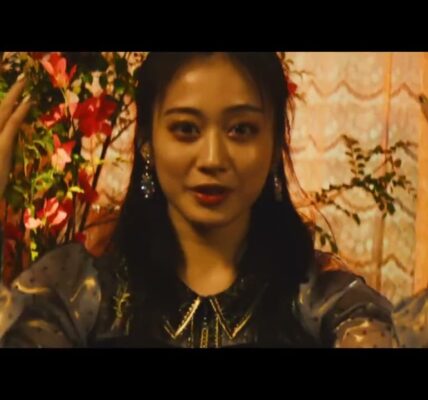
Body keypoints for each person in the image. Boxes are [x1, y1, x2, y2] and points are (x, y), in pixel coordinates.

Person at [0, 52, 397, 348]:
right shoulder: (78, 293)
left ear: (275, 144)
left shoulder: (330, 302)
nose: (212, 159)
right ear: (147, 142)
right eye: (186, 129)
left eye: (241, 129)